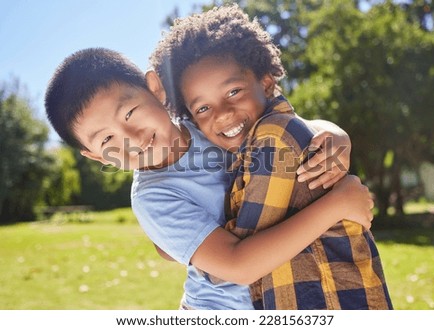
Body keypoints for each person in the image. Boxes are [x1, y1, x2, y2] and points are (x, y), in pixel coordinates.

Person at [45, 47, 374, 310]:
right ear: (96, 156)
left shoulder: (204, 118)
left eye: (129, 113)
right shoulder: (153, 197)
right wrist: (336, 206)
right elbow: (238, 265)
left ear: (155, 89)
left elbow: (285, 125)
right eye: (107, 140)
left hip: (282, 292)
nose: (131, 137)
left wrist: (335, 136)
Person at [150, 4, 392, 309]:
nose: (223, 115)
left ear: (266, 83)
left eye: (234, 92)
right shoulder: (244, 148)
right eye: (202, 108)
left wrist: (186, 244)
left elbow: (232, 268)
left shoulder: (271, 141)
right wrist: (175, 242)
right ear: (191, 120)